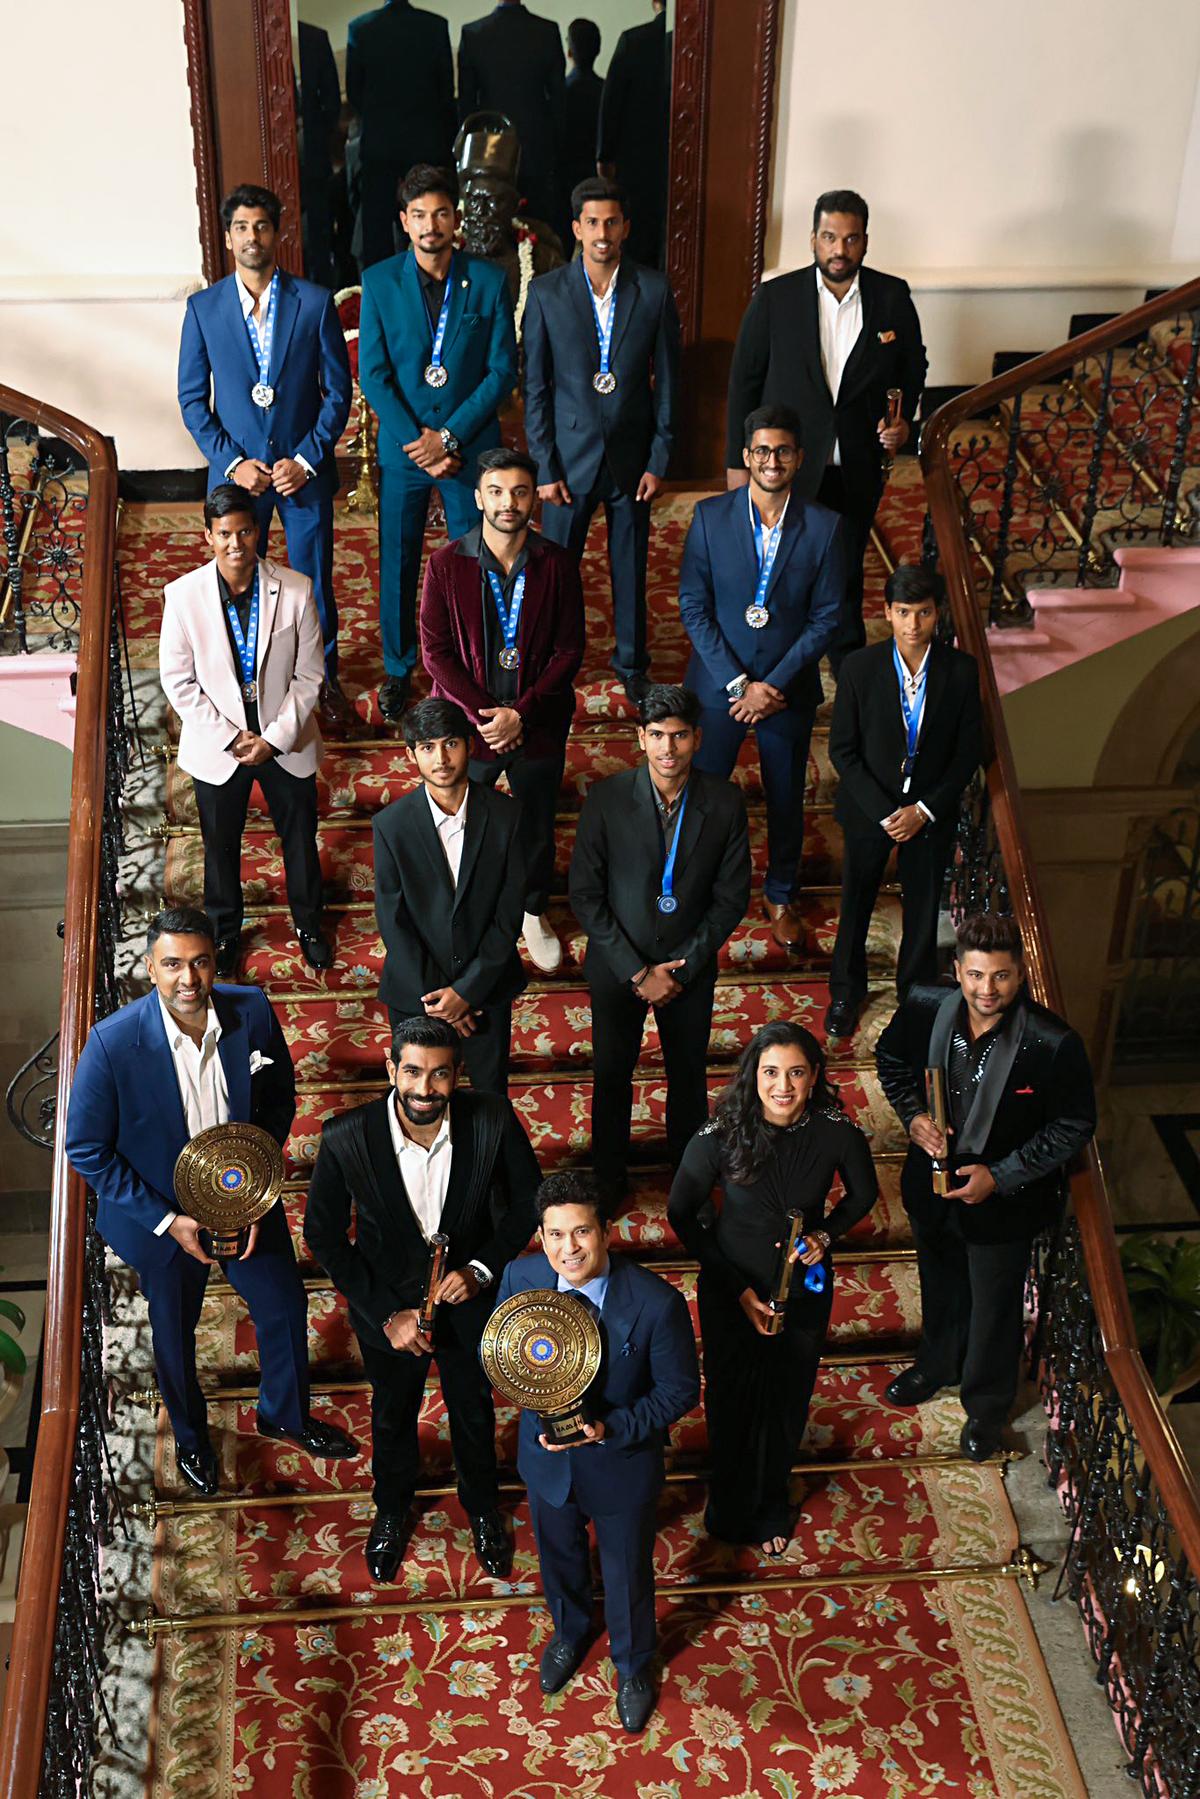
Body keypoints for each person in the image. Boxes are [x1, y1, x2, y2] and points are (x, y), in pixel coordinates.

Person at [64, 907, 357, 1496]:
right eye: (172, 964)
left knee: (282, 1303)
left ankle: (284, 1414)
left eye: (199, 962)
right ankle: (193, 1440)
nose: (188, 978)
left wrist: (252, 1182)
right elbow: (85, 1148)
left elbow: (278, 1097)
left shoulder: (250, 1008)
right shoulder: (113, 1043)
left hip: (241, 1195)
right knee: (174, 1335)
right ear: (151, 968)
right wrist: (169, 1221)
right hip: (161, 1212)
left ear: (214, 961)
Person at [305, 1015, 540, 1581]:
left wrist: (481, 1269)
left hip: (469, 1304)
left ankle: (483, 1510)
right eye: (412, 1072)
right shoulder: (344, 1136)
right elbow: (324, 1236)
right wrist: (386, 1314)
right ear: (392, 1069)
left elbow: (530, 1200)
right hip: (386, 1313)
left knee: (473, 1413)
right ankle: (391, 1510)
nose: (424, 1089)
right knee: (391, 1418)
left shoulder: (492, 1118)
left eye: (439, 1076)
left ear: (458, 1075)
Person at [875, 912, 1097, 1461]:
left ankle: (987, 1407)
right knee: (939, 1279)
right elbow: (890, 1061)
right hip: (931, 1182)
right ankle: (936, 1365)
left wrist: (1001, 1174)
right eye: (975, 975)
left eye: (999, 976)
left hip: (1004, 1203)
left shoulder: (1051, 1042)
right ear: (957, 970)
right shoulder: (927, 1005)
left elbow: (1074, 1124)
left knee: (996, 1309)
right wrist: (912, 1117)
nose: (986, 989)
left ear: (1019, 975)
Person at [495, 1170, 699, 1733]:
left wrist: (612, 1428)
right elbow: (510, 1362)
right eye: (556, 1235)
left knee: (627, 1571)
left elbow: (680, 1391)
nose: (569, 1250)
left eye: (581, 1233)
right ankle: (569, 1632)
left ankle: (633, 1665)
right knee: (559, 1560)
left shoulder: (656, 1302)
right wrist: (532, 1412)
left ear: (606, 1231)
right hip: (547, 1461)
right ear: (541, 1234)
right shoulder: (520, 1276)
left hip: (620, 1463)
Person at [668, 1023, 877, 1553]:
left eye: (796, 1073)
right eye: (770, 1072)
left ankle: (769, 1506)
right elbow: (681, 1214)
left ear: (813, 1078)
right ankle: (728, 1504)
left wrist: (825, 1236)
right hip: (730, 1284)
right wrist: (736, 1288)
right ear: (752, 1076)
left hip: (804, 1284)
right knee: (733, 1398)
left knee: (785, 1399)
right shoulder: (718, 1133)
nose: (782, 1085)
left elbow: (862, 1196)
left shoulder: (837, 1131)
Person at [725, 188, 927, 668]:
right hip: (786, 462)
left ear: (865, 242)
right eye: (830, 238)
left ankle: (844, 658)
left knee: (847, 561)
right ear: (813, 239)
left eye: (851, 239)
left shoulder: (891, 296)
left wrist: (903, 421)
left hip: (857, 459)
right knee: (782, 562)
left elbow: (912, 366)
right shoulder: (777, 297)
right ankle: (776, 655)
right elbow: (744, 380)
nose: (840, 250)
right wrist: (737, 463)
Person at [177, 183, 353, 729]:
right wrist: (233, 463)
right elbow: (191, 398)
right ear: (228, 239)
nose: (252, 237)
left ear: (277, 233)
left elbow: (338, 392)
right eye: (242, 228)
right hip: (237, 479)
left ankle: (322, 682)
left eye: (261, 226)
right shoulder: (204, 309)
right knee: (234, 578)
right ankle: (239, 681)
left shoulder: (314, 302)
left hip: (301, 475)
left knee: (313, 581)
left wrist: (306, 457)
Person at [569, 684, 751, 1199]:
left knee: (688, 1080)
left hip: (686, 969)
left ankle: (687, 1185)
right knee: (611, 1077)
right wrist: (637, 970)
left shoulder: (724, 801)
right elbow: (585, 894)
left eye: (678, 736)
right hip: (615, 965)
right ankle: (607, 1183)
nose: (667, 749)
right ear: (640, 739)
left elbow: (730, 898)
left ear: (696, 738)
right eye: (656, 736)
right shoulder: (606, 798)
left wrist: (685, 967)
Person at [679, 403, 843, 952]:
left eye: (784, 451)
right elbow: (692, 606)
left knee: (785, 797)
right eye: (762, 451)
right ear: (747, 456)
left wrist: (771, 683)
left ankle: (780, 893)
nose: (772, 460)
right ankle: (695, 885)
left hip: (786, 690)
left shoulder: (824, 526)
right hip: (718, 687)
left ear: (798, 458)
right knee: (701, 793)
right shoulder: (709, 516)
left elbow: (828, 616)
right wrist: (736, 685)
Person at [358, 164, 519, 721]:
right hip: (405, 451)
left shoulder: (490, 281)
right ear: (405, 222)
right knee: (398, 560)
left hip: (469, 449)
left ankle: (473, 666)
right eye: (419, 215)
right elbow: (374, 375)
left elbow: (501, 372)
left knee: (473, 559)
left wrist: (448, 436)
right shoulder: (379, 282)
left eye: (441, 213)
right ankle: (400, 668)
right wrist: (419, 442)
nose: (431, 225)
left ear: (457, 219)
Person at [420, 448, 585, 974]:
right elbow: (435, 651)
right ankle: (468, 907)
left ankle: (533, 910)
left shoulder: (557, 564)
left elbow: (569, 650)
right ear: (478, 497)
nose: (507, 502)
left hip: (537, 722)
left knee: (536, 825)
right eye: (496, 491)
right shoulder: (446, 565)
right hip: (470, 727)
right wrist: (485, 714)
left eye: (518, 491)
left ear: (532, 498)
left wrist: (523, 713)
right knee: (465, 823)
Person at [158, 485, 332, 976]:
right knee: (221, 846)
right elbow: (178, 680)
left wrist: (273, 737)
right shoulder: (183, 596)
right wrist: (232, 738)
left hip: (286, 740)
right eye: (225, 534)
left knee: (300, 839)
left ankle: (308, 925)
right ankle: (226, 930)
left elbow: (310, 674)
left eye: (245, 531)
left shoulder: (295, 589)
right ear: (208, 537)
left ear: (259, 531)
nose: (236, 544)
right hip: (219, 746)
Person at [523, 177, 680, 705]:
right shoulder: (546, 293)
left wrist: (660, 457)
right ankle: (552, 658)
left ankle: (632, 664)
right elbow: (536, 388)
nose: (602, 232)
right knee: (556, 570)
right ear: (576, 228)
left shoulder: (653, 291)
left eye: (611, 222)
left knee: (631, 567)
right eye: (592, 222)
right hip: (567, 461)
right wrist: (544, 466)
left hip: (633, 460)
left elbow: (669, 388)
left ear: (626, 228)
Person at [827, 565, 983, 1038]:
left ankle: (913, 997)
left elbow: (967, 752)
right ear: (887, 613)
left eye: (923, 613)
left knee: (922, 906)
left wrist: (925, 810)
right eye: (903, 613)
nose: (913, 625)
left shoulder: (960, 670)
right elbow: (842, 750)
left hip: (928, 815)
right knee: (855, 902)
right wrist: (884, 811)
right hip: (869, 810)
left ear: (938, 614)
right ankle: (845, 993)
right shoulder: (859, 667)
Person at [373, 698, 527, 1096]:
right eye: (427, 748)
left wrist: (467, 992)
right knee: (419, 1104)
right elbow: (393, 919)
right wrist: (441, 1001)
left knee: (492, 1102)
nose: (440, 758)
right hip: (416, 995)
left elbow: (508, 916)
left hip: (487, 989)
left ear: (469, 745)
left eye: (450, 744)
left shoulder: (507, 816)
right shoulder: (391, 825)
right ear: (411, 756)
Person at [345, 0, 457, 270]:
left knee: (377, 235)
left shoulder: (360, 29)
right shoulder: (435, 26)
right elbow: (446, 92)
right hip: (426, 146)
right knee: (432, 228)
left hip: (379, 147)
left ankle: (380, 301)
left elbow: (354, 92)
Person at [457, 0, 565, 230]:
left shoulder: (473, 33)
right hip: (536, 145)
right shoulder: (547, 31)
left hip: (489, 148)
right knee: (537, 225)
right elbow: (558, 100)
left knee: (492, 223)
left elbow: (466, 105)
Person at [596, 1, 670, 269]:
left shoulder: (634, 41)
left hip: (636, 159)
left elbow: (611, 103)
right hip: (678, 159)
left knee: (637, 239)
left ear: (655, 3)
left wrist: (605, 154)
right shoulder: (690, 43)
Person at [297, 21, 342, 288]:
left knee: (318, 234)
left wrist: (314, 139)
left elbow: (332, 103)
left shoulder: (315, 37)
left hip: (313, 152)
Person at [562, 19, 603, 240]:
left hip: (564, 175)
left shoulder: (561, 92)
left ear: (569, 51)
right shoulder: (605, 91)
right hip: (597, 175)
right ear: (598, 50)